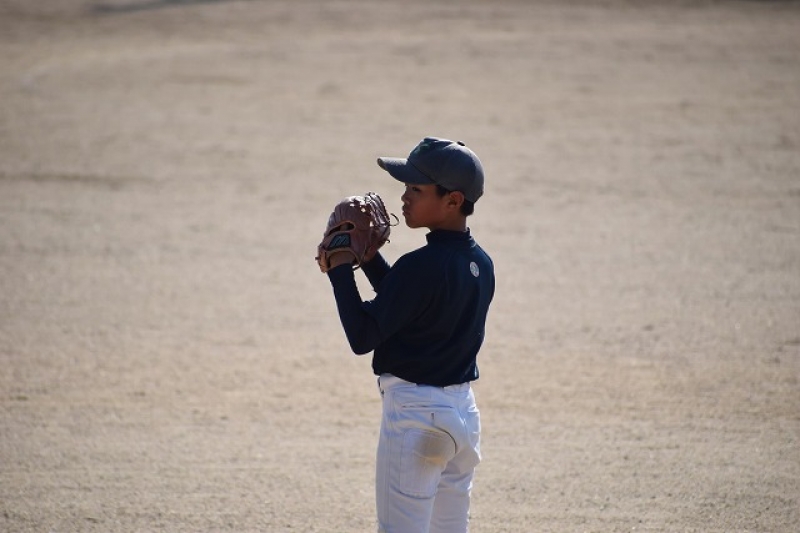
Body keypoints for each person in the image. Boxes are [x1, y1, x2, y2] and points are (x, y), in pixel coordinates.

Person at [323, 137, 495, 533]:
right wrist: (370, 260)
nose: (404, 197)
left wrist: (339, 266)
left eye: (416, 189)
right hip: (463, 418)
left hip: (417, 420)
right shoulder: (479, 262)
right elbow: (409, 304)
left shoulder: (420, 266)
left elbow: (362, 335)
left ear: (452, 200)